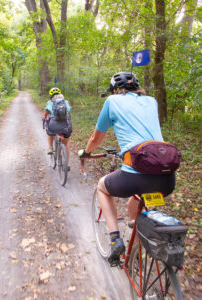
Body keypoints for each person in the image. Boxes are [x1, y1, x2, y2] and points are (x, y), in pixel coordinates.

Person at [78, 72, 175, 266]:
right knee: (138, 197)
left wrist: (86, 153)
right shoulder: (152, 101)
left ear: (115, 90)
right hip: (167, 178)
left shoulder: (112, 101)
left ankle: (115, 240)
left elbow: (96, 139)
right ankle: (135, 248)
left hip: (134, 175)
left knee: (102, 188)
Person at [43, 87, 72, 168]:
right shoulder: (65, 102)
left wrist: (45, 118)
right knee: (65, 144)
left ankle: (50, 148)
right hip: (66, 126)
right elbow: (69, 110)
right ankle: (67, 164)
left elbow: (46, 113)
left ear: (50, 95)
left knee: (49, 130)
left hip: (54, 126)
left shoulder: (50, 102)